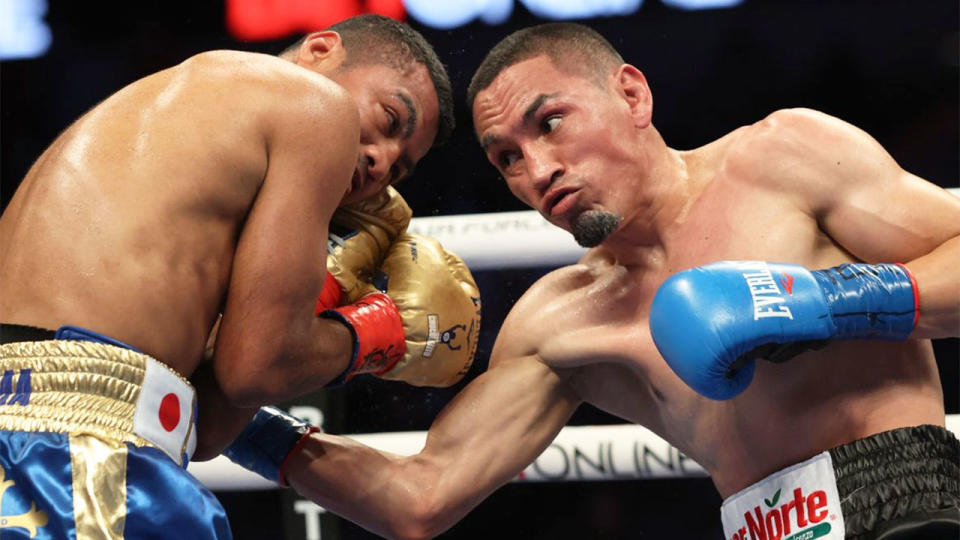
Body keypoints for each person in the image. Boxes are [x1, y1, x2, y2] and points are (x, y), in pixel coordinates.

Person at [226, 22, 960, 540]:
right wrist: (231, 414)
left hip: (913, 503)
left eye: (550, 124)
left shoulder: (783, 159)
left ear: (633, 97)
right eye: (506, 157)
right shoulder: (562, 322)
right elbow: (420, 498)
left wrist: (831, 303)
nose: (538, 171)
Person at [0, 14, 484, 539]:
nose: (380, 162)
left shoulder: (184, 130)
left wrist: (327, 287)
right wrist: (376, 332)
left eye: (400, 170)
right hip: (78, 456)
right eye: (391, 119)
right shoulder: (314, 105)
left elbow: (206, 428)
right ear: (322, 50)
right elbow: (257, 369)